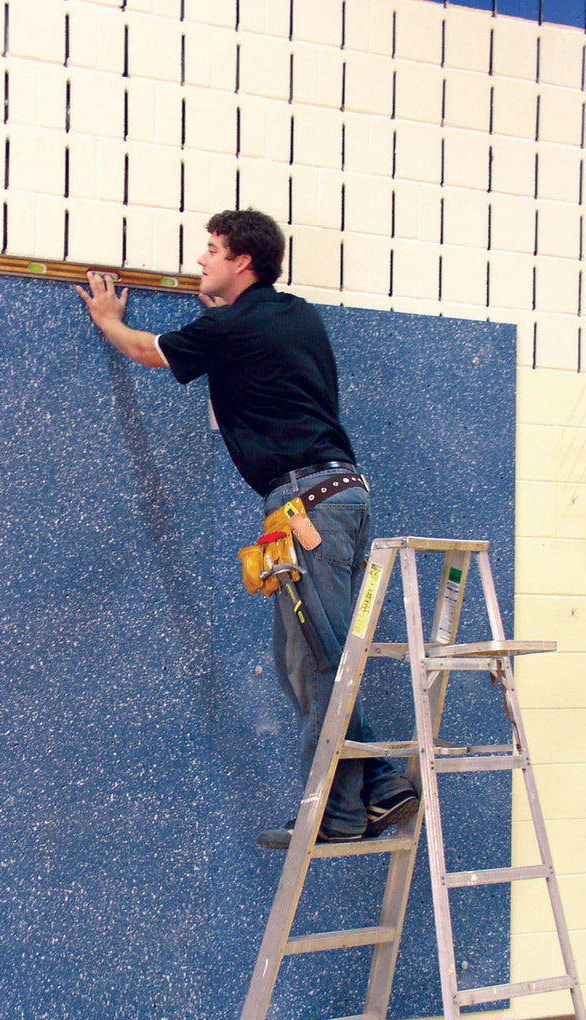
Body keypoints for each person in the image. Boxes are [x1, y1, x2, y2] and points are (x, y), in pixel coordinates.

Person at [77, 207, 417, 844]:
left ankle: (341, 811)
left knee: (314, 661)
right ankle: (381, 779)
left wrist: (109, 320)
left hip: (303, 503)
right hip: (337, 497)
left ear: (243, 262)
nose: (201, 260)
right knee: (308, 655)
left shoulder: (236, 324)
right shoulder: (299, 315)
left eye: (211, 250)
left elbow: (150, 353)